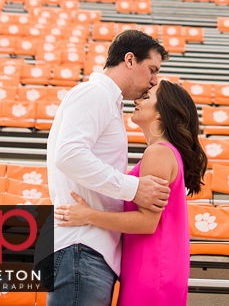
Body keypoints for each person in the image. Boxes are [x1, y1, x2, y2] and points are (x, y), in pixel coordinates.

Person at [55, 78, 207, 306]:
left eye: (146, 97)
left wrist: (87, 215)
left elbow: (146, 223)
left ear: (161, 115)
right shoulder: (164, 153)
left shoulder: (159, 153)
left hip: (152, 269)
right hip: (153, 268)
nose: (137, 100)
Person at [47, 29, 171, 306]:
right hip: (81, 246)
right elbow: (68, 155)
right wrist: (134, 188)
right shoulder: (94, 93)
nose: (154, 80)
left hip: (88, 248)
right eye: (152, 69)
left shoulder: (106, 100)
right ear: (129, 60)